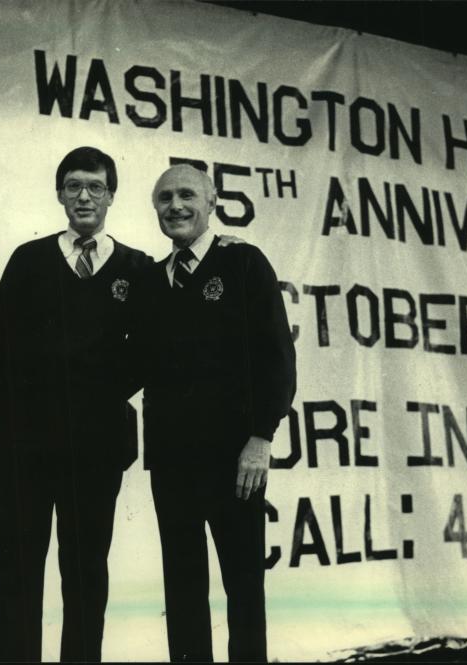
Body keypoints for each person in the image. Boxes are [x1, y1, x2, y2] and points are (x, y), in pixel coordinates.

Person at [0, 146, 150, 662]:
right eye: (74, 186)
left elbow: (154, 349)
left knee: (86, 569)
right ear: (59, 195)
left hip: (98, 445)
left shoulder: (137, 268)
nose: (84, 196)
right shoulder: (29, 260)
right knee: (13, 568)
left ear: (112, 195)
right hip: (25, 440)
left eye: (95, 186)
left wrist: (102, 387)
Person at [131, 164, 297, 662]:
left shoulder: (243, 263)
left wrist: (260, 437)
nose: (175, 206)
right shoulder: (152, 280)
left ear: (212, 202)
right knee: (182, 588)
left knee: (243, 586)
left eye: (187, 195)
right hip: (171, 460)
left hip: (234, 460)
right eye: (164, 198)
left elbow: (277, 358)